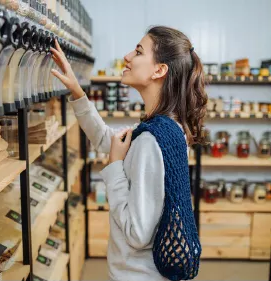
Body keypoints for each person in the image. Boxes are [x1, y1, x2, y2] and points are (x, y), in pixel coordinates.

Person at [51, 26, 207, 281]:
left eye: (138, 51)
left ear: (159, 70)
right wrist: (78, 93)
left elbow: (136, 234)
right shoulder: (166, 127)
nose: (126, 56)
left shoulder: (150, 139)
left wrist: (114, 166)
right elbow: (107, 140)